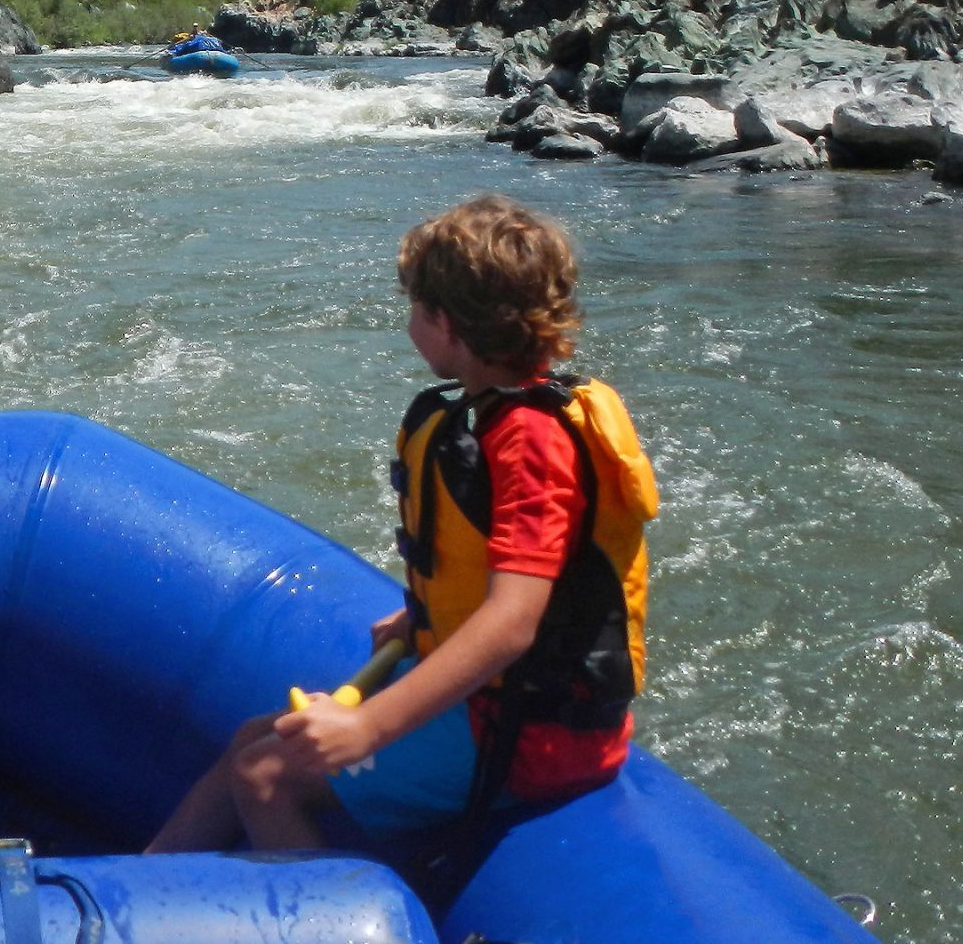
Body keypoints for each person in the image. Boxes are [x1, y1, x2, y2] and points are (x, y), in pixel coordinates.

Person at [146, 195, 658, 853]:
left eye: (415, 308)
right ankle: (137, 878)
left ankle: (320, 903)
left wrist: (369, 728)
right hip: (499, 707)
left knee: (265, 776)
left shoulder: (529, 443)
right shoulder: (502, 413)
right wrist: (429, 618)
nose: (410, 323)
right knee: (254, 738)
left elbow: (513, 622)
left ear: (447, 325)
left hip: (530, 736)